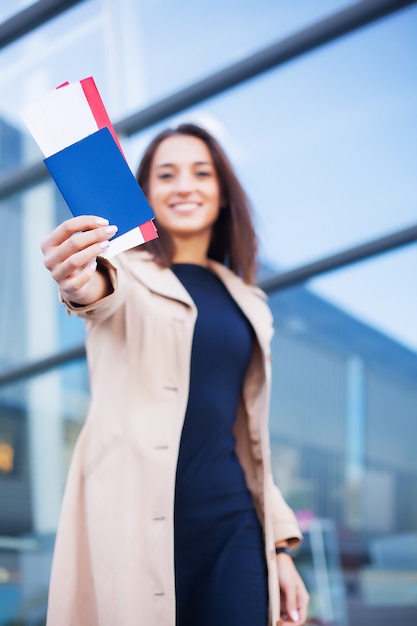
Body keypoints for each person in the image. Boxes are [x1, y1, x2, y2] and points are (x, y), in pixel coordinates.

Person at [41, 123, 309, 626]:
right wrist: (77, 278)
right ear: (145, 193)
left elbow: (249, 437)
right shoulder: (122, 270)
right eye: (166, 174)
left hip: (233, 525)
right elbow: (97, 292)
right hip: (133, 523)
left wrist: (280, 548)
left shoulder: (249, 303)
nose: (184, 185)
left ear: (223, 194)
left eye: (201, 173)